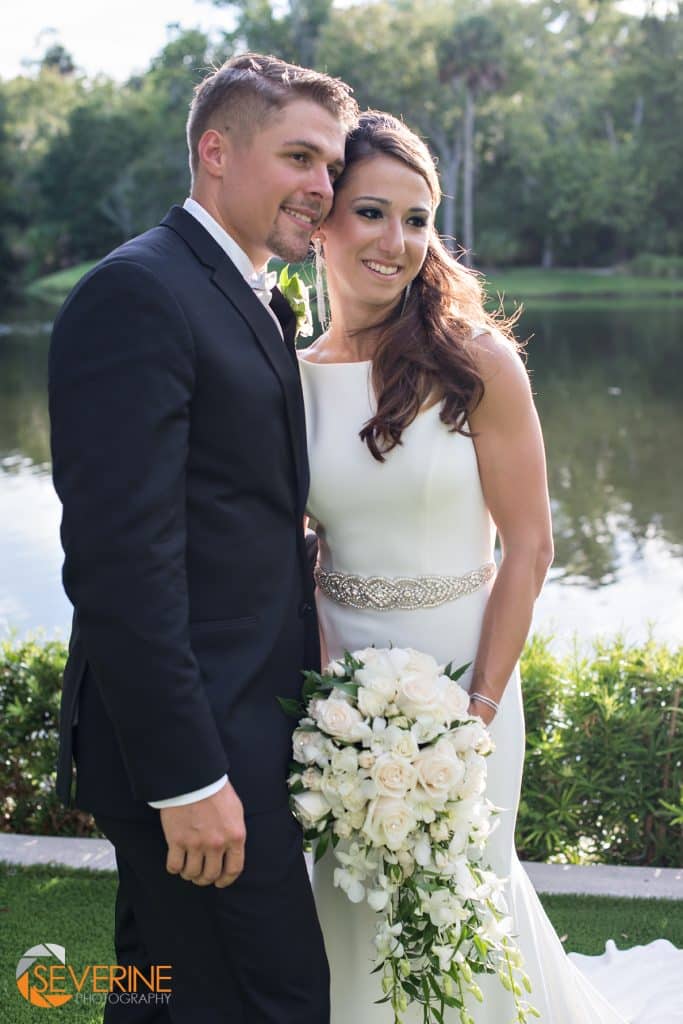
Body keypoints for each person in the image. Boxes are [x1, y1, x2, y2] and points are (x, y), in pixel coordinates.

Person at [298, 111, 683, 1023]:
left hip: (467, 677)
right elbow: (294, 541)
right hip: (336, 689)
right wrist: (318, 684)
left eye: (419, 218)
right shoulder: (289, 369)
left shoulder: (475, 362)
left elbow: (533, 546)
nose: (398, 242)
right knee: (345, 900)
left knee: (464, 891)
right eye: (371, 212)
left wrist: (471, 710)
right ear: (319, 219)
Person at [49, 53, 357, 1023]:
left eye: (331, 165)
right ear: (214, 152)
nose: (322, 187)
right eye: (299, 157)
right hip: (190, 747)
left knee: (154, 992)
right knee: (275, 1000)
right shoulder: (138, 292)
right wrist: (188, 774)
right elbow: (119, 562)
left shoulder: (256, 293)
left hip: (242, 724)